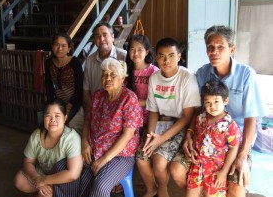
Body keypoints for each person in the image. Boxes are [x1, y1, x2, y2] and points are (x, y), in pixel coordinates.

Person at [171, 25, 266, 197]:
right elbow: (197, 109)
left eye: (220, 47)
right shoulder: (203, 73)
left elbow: (251, 119)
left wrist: (242, 156)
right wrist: (189, 134)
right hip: (204, 139)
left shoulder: (246, 75)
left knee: (237, 189)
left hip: (235, 142)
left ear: (232, 49)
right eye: (210, 47)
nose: (214, 51)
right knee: (177, 170)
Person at [141, 38, 201, 197]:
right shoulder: (154, 78)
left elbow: (188, 116)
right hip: (161, 121)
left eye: (171, 55)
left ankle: (162, 189)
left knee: (159, 161)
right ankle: (154, 188)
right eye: (161, 56)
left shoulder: (187, 78)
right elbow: (153, 111)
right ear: (155, 57)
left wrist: (160, 139)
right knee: (142, 157)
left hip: (180, 123)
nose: (166, 60)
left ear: (179, 56)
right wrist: (150, 135)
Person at [79, 58, 143, 197]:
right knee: (80, 183)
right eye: (104, 74)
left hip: (120, 155)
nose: (108, 78)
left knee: (101, 186)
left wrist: (103, 161)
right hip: (95, 150)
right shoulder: (97, 95)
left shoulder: (129, 98)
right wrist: (84, 142)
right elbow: (87, 121)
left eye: (113, 75)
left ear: (122, 79)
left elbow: (128, 135)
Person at [14, 99, 83, 197]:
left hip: (62, 179)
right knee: (19, 180)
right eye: (48, 115)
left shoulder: (71, 138)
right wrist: (37, 179)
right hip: (41, 175)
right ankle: (39, 191)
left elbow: (73, 174)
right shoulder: (36, 135)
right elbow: (28, 162)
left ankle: (41, 193)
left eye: (57, 115)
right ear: (43, 118)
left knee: (45, 194)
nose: (52, 119)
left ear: (65, 118)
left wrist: (44, 181)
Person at [186, 80, 241, 197]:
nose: (212, 106)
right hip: (197, 167)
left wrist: (224, 172)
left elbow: (233, 148)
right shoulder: (201, 118)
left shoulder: (230, 125)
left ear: (225, 101)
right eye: (207, 102)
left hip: (216, 170)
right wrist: (192, 151)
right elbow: (197, 135)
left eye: (216, 101)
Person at [125, 34, 159, 197]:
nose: (136, 53)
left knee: (142, 153)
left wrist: (135, 103)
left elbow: (156, 100)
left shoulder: (154, 71)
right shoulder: (126, 70)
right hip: (130, 120)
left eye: (140, 49)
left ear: (147, 52)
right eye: (132, 49)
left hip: (149, 120)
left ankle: (153, 188)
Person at [44, 33, 83, 134]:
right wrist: (51, 104)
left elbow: (80, 87)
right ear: (52, 46)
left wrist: (69, 106)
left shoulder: (75, 63)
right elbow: (48, 85)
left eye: (64, 45)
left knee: (65, 125)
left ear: (69, 48)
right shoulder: (49, 63)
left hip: (75, 101)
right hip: (58, 101)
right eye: (56, 45)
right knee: (47, 124)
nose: (60, 48)